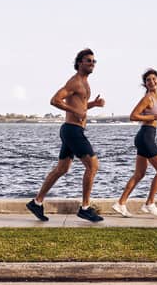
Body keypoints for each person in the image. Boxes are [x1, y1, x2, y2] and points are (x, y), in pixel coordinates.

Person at [26, 48, 106, 223]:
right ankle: (85, 208)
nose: (92, 63)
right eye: (88, 61)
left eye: (94, 61)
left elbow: (80, 105)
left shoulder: (85, 83)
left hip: (72, 130)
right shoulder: (75, 82)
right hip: (72, 130)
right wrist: (74, 110)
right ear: (79, 63)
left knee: (62, 169)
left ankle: (36, 202)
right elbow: (55, 100)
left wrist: (93, 104)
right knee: (92, 166)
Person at [111, 68, 157, 218]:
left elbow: (156, 117)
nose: (151, 82)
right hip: (145, 136)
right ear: (145, 84)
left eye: (154, 79)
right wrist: (156, 115)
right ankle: (149, 203)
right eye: (148, 80)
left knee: (139, 174)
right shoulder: (147, 98)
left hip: (146, 136)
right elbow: (133, 116)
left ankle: (120, 204)